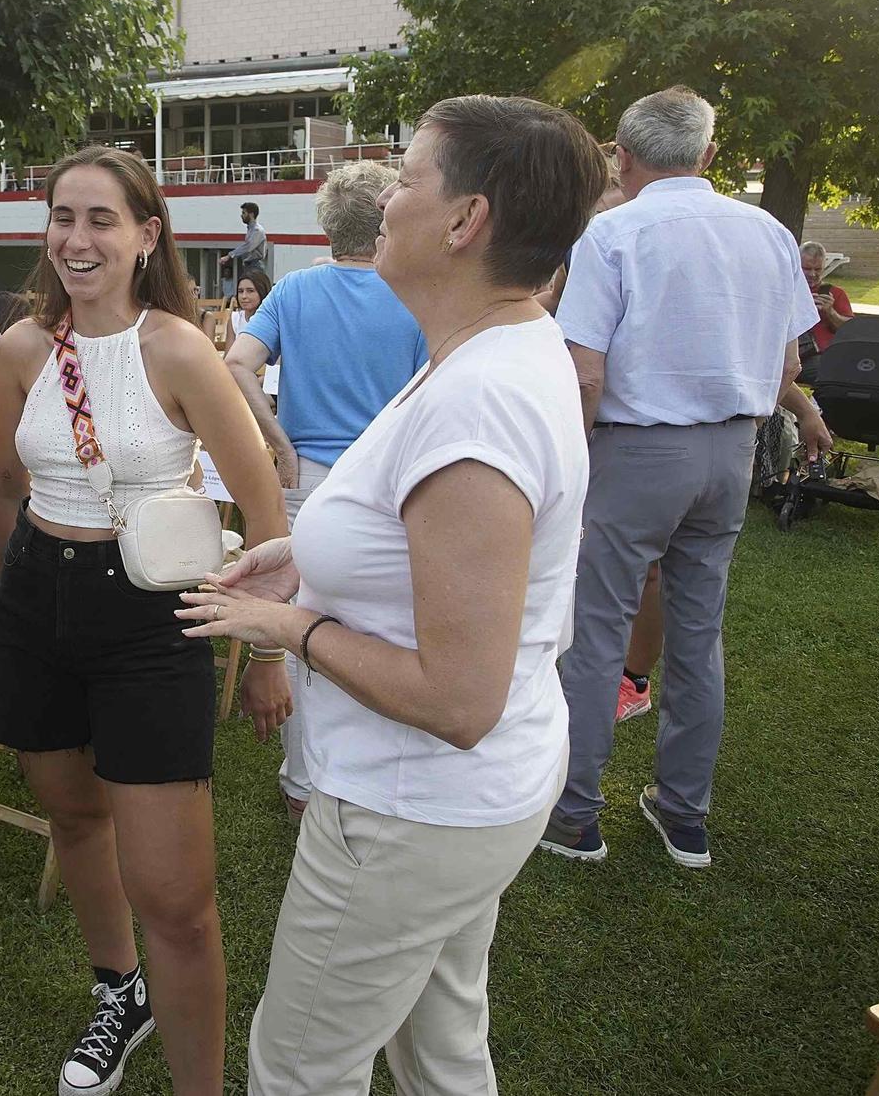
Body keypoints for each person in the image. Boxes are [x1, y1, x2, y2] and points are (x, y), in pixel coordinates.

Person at [183, 94, 605, 1096]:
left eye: (408, 176)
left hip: (410, 807)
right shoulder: (489, 347)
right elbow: (418, 552)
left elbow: (457, 700)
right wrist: (303, 556)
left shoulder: (480, 398)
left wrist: (292, 623)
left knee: (297, 1068)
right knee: (439, 1047)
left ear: (464, 221)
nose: (384, 196)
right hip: (453, 808)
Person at [0, 145, 286, 1096]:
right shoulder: (23, 347)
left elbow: (266, 506)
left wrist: (269, 650)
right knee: (74, 816)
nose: (76, 239)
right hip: (34, 601)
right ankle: (122, 991)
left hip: (149, 617)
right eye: (62, 217)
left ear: (148, 234)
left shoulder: (180, 349)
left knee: (178, 900)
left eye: (101, 219)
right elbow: (0, 486)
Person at [541, 86, 832, 870]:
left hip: (638, 450)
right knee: (698, 635)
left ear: (622, 157)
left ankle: (574, 814)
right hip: (731, 449)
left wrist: (571, 459)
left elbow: (587, 373)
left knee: (597, 631)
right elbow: (788, 364)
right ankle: (685, 814)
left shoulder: (611, 233)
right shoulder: (769, 232)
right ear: (708, 155)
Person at [224, 162, 428, 818]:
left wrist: (278, 440)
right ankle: (368, 778)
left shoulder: (296, 290)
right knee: (379, 632)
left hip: (304, 480)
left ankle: (301, 783)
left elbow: (236, 363)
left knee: (300, 626)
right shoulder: (415, 295)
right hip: (383, 485)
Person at [533, 156, 663, 725]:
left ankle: (632, 677)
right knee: (574, 548)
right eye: (601, 185)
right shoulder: (581, 247)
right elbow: (545, 307)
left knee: (643, 565)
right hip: (579, 414)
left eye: (614, 182)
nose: (607, 194)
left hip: (621, 425)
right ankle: (572, 658)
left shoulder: (638, 245)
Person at [796, 240, 853, 385]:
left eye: (818, 269)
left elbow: (849, 331)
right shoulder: (787, 291)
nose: (813, 274)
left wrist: (830, 311)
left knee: (834, 372)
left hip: (820, 357)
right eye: (807, 269)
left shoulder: (835, 293)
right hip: (789, 355)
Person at [222, 200, 269, 286]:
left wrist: (230, 255)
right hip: (250, 265)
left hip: (255, 266)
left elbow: (248, 246)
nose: (241, 215)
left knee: (254, 290)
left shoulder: (257, 230)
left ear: (251, 214)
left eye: (244, 213)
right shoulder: (251, 230)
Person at [228, 269, 270, 343]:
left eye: (250, 291)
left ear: (262, 292)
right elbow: (228, 353)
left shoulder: (272, 321)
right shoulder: (235, 319)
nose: (244, 296)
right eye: (240, 291)